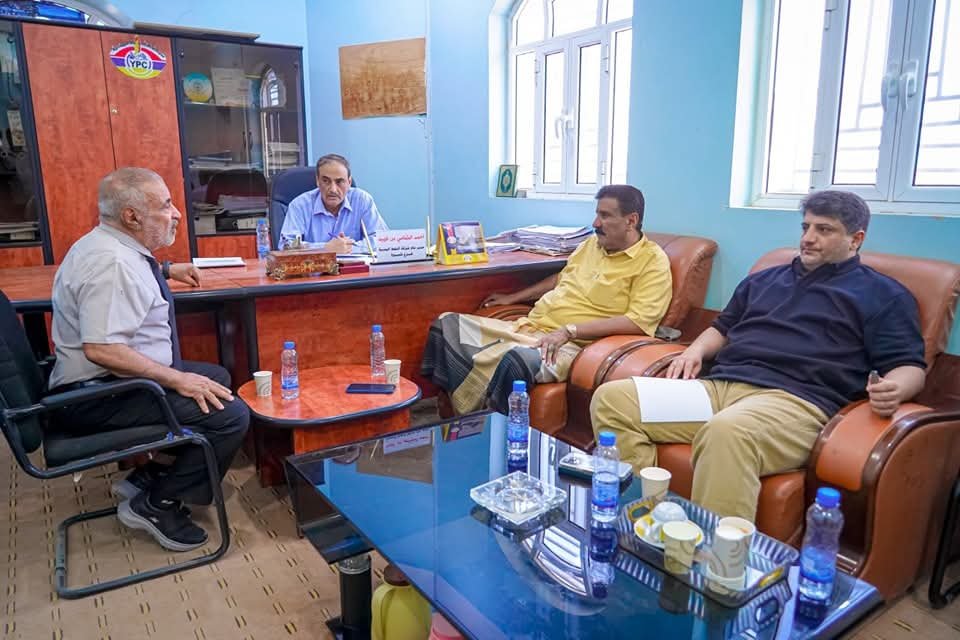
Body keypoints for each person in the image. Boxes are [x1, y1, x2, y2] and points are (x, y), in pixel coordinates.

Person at [590, 190, 926, 522]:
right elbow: (722, 328)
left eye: (824, 230)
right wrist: (695, 350)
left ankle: (718, 556)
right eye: (806, 227)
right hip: (721, 387)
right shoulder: (764, 280)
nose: (808, 238)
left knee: (727, 433)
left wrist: (895, 388)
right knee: (613, 399)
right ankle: (642, 519)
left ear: (856, 239)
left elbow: (909, 366)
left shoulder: (884, 295)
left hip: (795, 402)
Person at [49, 167, 250, 552]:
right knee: (231, 415)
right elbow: (103, 350)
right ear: (132, 216)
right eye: (166, 205)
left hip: (107, 383)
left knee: (217, 377)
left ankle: (152, 475)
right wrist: (177, 380)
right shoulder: (112, 265)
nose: (176, 213)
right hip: (96, 395)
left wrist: (167, 270)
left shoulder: (110, 246)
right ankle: (157, 504)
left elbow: (133, 276)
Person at [421, 185, 673, 414]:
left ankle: (487, 428)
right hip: (528, 328)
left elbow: (638, 322)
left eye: (605, 216)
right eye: (597, 213)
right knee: (446, 325)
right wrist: (512, 298)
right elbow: (560, 278)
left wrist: (570, 331)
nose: (596, 223)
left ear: (631, 220)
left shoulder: (652, 261)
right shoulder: (591, 245)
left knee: (517, 361)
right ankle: (465, 413)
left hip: (570, 346)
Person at [279, 153, 387, 253]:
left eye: (339, 182)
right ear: (317, 181)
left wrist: (347, 248)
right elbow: (286, 246)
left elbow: (382, 240)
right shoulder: (300, 205)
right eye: (326, 181)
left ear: (349, 182)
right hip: (314, 267)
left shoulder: (362, 200)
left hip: (355, 266)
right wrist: (326, 248)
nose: (333, 189)